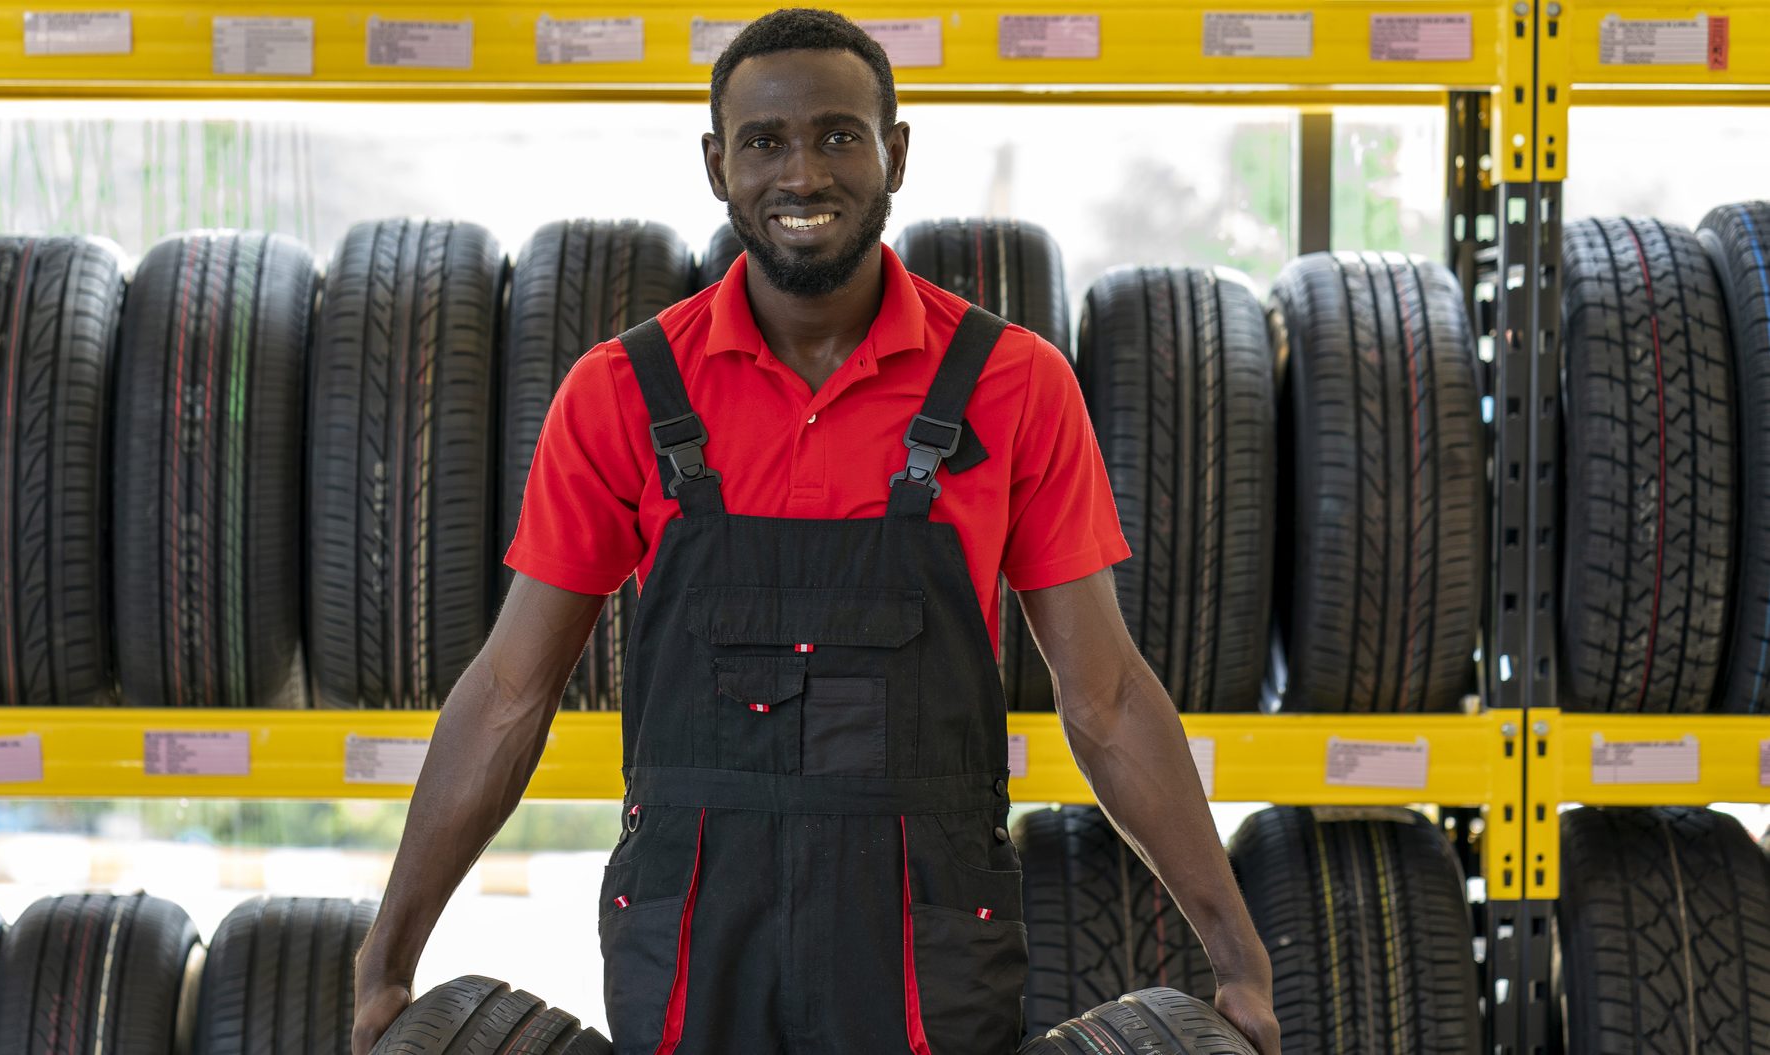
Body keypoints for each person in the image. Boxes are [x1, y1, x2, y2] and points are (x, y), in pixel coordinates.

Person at [351, 9, 1280, 1054]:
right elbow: (509, 692)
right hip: (693, 925)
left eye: (839, 134)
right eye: (764, 142)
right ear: (716, 164)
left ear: (895, 152)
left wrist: (1238, 955)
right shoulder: (618, 394)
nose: (803, 173)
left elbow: (1105, 697)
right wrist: (387, 954)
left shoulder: (1014, 385)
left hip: (925, 935)